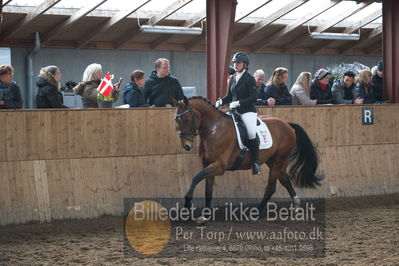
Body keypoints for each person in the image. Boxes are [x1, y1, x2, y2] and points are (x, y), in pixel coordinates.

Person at [215, 52, 260, 175]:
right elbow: (230, 96)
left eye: (238, 63)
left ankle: (255, 162)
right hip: (234, 111)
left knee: (251, 133)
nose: (235, 65)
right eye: (234, 63)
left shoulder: (249, 79)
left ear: (245, 65)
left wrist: (238, 103)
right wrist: (221, 101)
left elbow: (253, 97)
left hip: (247, 111)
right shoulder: (233, 78)